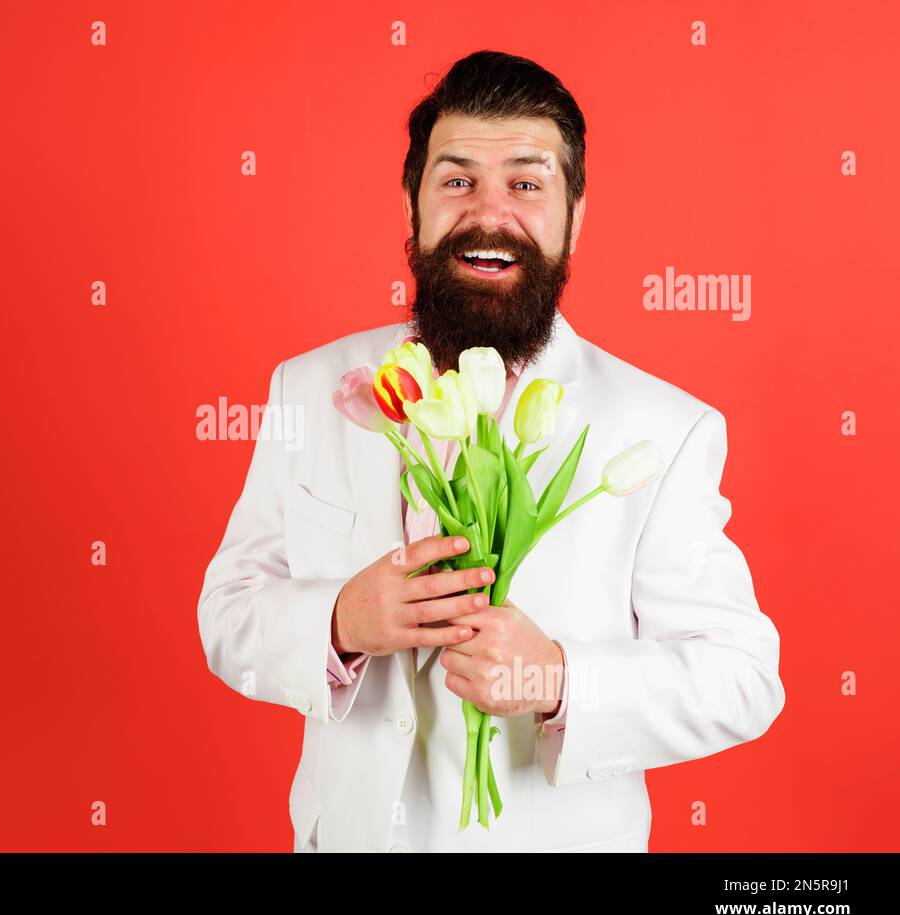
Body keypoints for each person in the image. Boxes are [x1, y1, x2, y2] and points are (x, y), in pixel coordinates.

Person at [196, 50, 784, 852]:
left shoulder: (665, 427)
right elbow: (228, 612)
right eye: (458, 179)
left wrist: (555, 678)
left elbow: (742, 680)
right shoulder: (312, 389)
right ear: (413, 206)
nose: (489, 212)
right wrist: (336, 621)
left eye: (528, 183)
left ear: (575, 215)